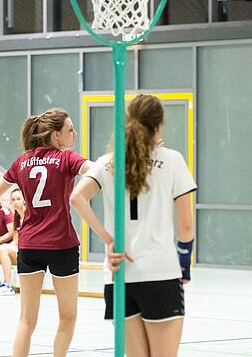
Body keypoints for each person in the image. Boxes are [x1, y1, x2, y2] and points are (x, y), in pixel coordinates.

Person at [70, 94, 197, 357]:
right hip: (159, 273)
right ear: (159, 125)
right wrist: (184, 265)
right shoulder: (172, 160)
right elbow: (186, 225)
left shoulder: (108, 161)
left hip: (119, 276)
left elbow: (76, 197)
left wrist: (108, 239)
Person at [0, 108, 92, 357]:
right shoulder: (66, 158)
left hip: (29, 245)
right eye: (70, 129)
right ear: (55, 136)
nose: (75, 133)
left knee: (26, 321)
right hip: (62, 245)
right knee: (68, 317)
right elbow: (94, 170)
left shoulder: (22, 161)